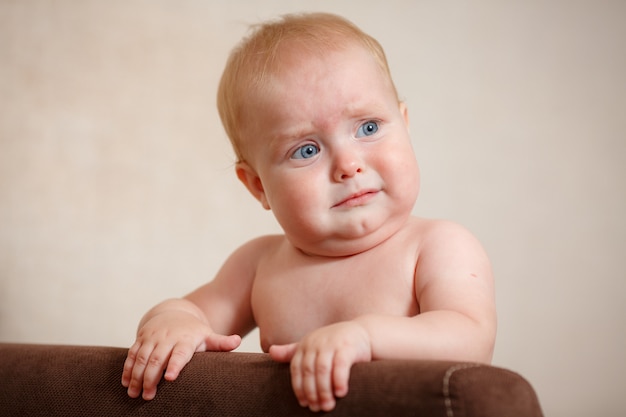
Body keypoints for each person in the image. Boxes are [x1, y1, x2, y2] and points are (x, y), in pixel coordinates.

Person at [121, 12, 496, 412]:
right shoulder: (258, 265)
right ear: (259, 186)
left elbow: (470, 336)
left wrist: (366, 338)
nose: (348, 165)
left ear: (404, 124)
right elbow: (190, 309)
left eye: (368, 127)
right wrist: (172, 322)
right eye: (307, 150)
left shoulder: (436, 246)